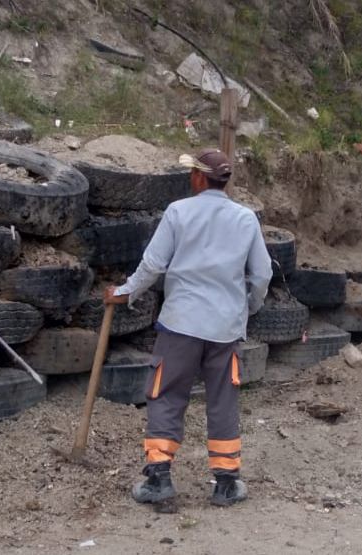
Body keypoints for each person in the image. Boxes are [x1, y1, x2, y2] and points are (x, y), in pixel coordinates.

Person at [106, 148, 272, 508]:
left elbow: (152, 264)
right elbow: (262, 275)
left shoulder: (179, 212)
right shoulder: (246, 219)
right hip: (225, 328)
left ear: (198, 177)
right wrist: (248, 307)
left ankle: (159, 479)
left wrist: (124, 292)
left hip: (181, 324)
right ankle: (226, 482)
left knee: (167, 394)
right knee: (222, 399)